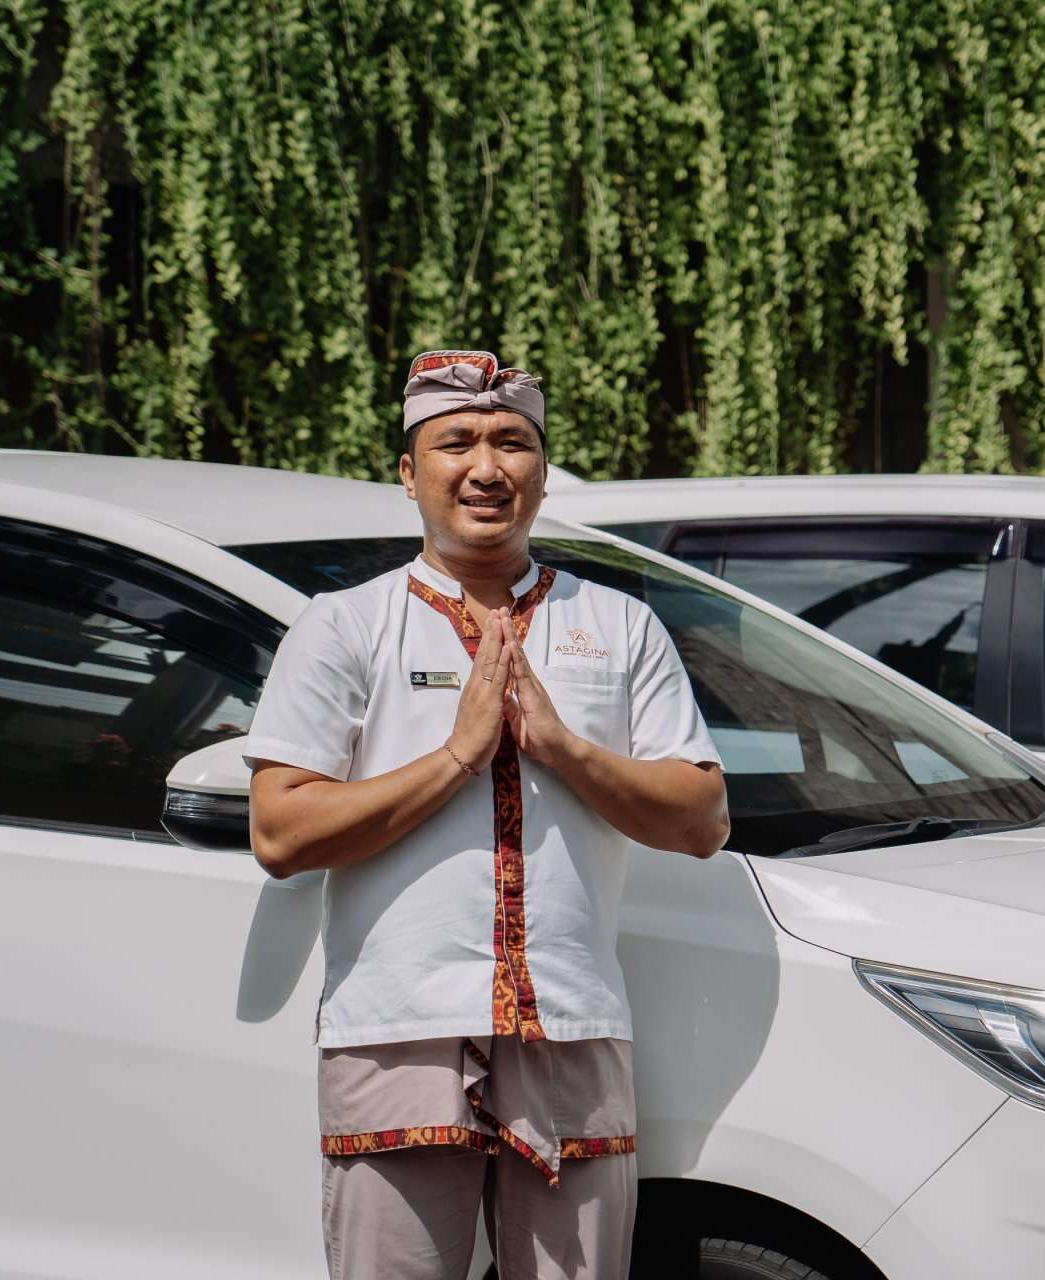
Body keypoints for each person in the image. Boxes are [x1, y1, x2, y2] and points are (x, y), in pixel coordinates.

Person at [241, 349, 730, 1280]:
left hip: (572, 1023)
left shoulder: (617, 625)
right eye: (455, 441)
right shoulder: (345, 625)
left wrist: (565, 749)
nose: (486, 466)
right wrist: (459, 754)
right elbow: (281, 833)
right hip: (398, 1025)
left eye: (511, 442)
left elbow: (702, 819)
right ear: (408, 472)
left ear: (542, 470)